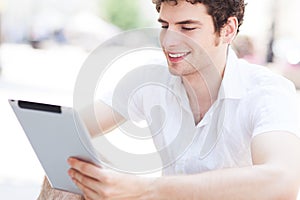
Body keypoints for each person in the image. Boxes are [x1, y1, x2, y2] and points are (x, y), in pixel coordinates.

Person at [38, 0, 300, 199]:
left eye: (187, 27)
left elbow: (284, 180)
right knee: (66, 181)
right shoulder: (150, 80)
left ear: (227, 29)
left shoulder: (266, 92)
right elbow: (71, 129)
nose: (170, 40)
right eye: (165, 26)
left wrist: (145, 187)